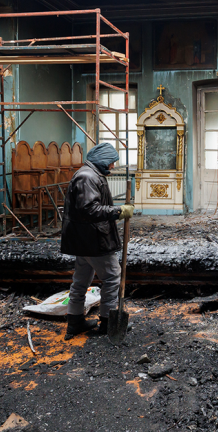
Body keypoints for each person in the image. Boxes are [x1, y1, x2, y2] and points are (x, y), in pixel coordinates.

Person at [61, 142, 134, 340]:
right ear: (102, 160)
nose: (112, 166)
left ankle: (75, 321)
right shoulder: (87, 177)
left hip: (85, 238)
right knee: (112, 277)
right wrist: (118, 211)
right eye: (111, 162)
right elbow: (89, 210)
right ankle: (108, 322)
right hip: (93, 239)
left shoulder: (90, 174)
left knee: (81, 279)